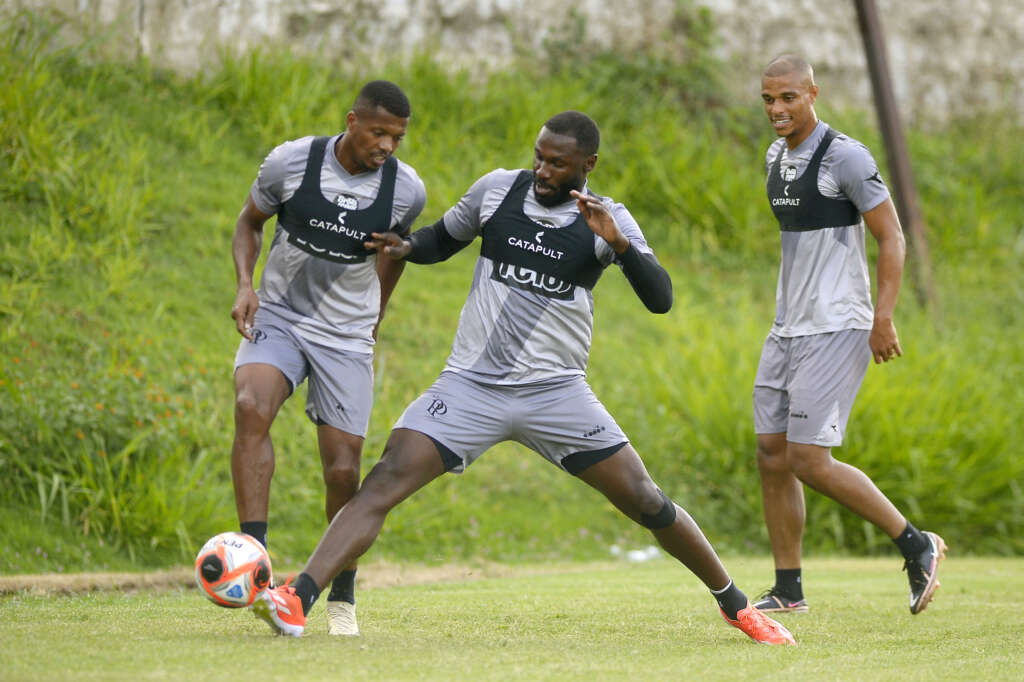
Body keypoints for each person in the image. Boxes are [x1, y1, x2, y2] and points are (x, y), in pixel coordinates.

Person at [249, 111, 796, 645]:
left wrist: (622, 247)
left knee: (647, 500)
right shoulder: (496, 191)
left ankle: (739, 607)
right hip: (469, 387)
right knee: (383, 482)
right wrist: (408, 247)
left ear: (589, 165)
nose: (543, 170)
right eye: (539, 157)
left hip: (555, 394)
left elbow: (661, 299)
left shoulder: (608, 219)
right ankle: (298, 599)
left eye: (558, 164)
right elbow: (443, 239)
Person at [229, 80, 426, 636]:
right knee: (251, 404)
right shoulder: (291, 163)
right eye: (379, 132)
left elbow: (397, 253)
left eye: (398, 137)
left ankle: (342, 596)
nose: (388, 145)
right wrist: (246, 284)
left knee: (343, 470)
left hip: (345, 335)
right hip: (281, 317)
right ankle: (256, 563)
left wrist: (376, 315)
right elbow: (249, 221)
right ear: (352, 121)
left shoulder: (406, 190)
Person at [751, 55, 945, 615]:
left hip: (839, 323)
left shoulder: (847, 156)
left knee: (808, 459)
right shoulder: (775, 156)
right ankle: (789, 590)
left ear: (813, 92)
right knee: (770, 454)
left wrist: (883, 316)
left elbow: (892, 237)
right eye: (768, 99)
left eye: (788, 97)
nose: (777, 110)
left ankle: (915, 543)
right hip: (787, 326)